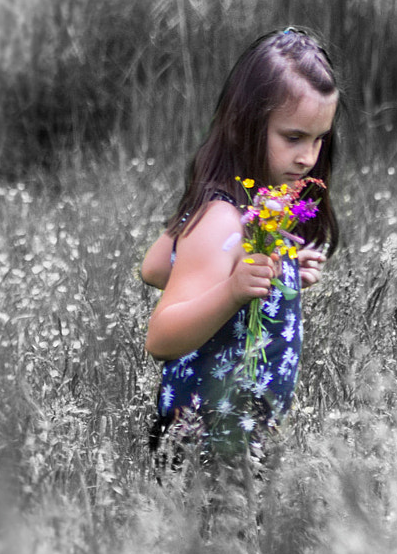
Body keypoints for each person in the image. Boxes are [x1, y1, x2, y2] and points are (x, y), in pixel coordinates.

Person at [139, 27, 341, 485]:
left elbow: (156, 266)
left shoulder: (242, 214)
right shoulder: (222, 221)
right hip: (206, 436)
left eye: (318, 139)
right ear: (244, 125)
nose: (308, 157)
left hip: (236, 431)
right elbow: (160, 337)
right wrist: (232, 291)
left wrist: (278, 281)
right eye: (292, 137)